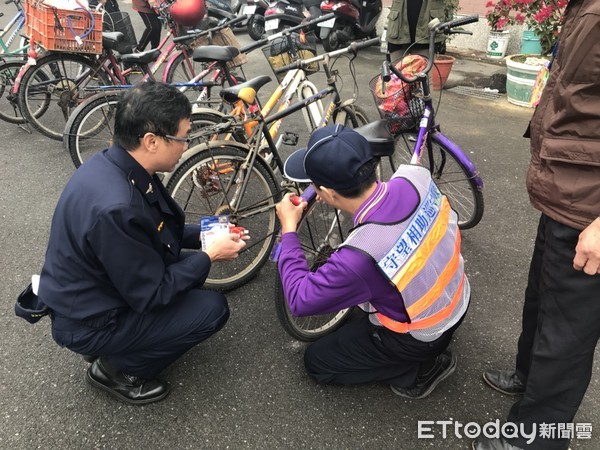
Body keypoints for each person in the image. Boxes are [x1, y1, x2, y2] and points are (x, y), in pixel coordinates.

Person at [37, 82, 248, 405]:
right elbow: (153, 294)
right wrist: (209, 255)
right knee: (211, 309)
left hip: (93, 293)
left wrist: (213, 230)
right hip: (88, 320)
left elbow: (158, 228)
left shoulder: (115, 163)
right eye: (183, 137)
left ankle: (116, 345)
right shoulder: (116, 207)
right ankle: (114, 369)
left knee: (186, 277)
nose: (185, 146)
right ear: (151, 141)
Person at [473, 1, 600, 449]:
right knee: (541, 302)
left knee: (566, 336)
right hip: (568, 190)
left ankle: (534, 441)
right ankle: (528, 381)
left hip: (591, 210)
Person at [275, 124, 470, 397]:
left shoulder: (362, 253)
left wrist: (289, 230)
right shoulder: (415, 177)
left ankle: (418, 370)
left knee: (317, 362)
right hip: (455, 296)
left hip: (421, 336)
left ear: (328, 194)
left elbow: (300, 299)